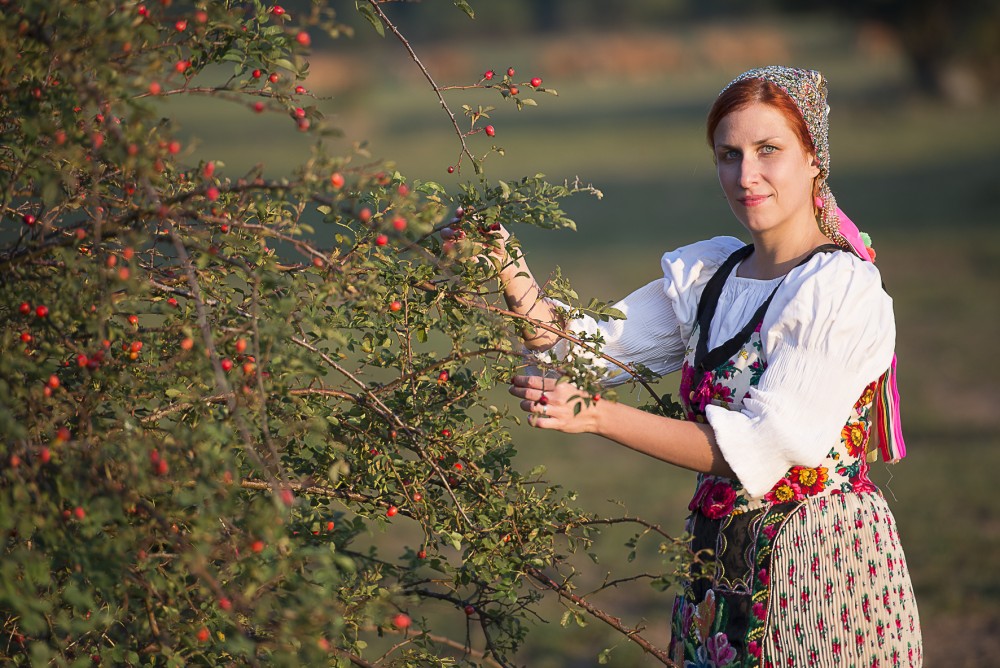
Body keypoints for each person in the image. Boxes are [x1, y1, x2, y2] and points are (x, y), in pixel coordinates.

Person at [492, 66, 922, 666]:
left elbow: (762, 449)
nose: (747, 175)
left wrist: (594, 417)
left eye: (769, 150)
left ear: (813, 159)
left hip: (819, 569)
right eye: (729, 154)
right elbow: (573, 349)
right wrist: (501, 261)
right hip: (718, 564)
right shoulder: (710, 277)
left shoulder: (838, 288)